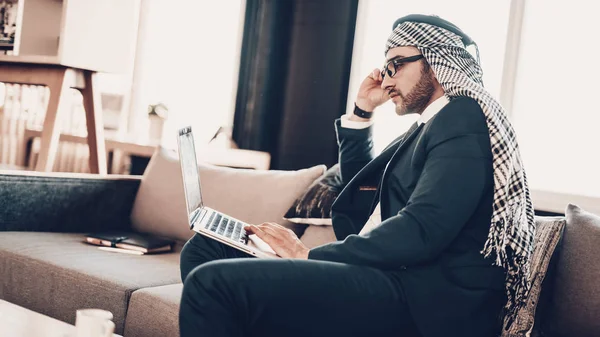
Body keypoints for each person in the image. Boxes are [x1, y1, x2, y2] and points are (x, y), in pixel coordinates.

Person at [179, 14, 535, 337]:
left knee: (211, 283)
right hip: (389, 276)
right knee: (205, 248)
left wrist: (309, 256)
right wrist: (362, 111)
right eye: (384, 67)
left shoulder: (462, 117)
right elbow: (365, 193)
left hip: (419, 296)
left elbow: (423, 228)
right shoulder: (428, 126)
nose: (387, 79)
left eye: (395, 65)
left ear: (438, 62)